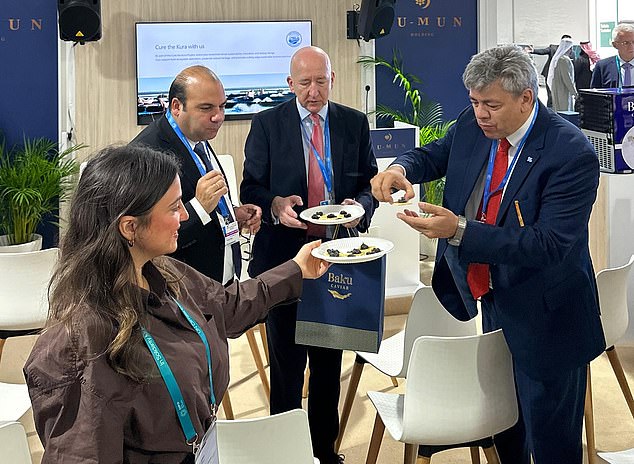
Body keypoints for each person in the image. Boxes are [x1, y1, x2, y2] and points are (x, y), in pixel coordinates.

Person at [371, 45, 605, 463]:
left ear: (526, 99)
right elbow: (433, 155)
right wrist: (401, 167)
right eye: (475, 102)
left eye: (491, 105)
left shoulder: (571, 154)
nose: (481, 114)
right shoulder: (474, 125)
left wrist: (459, 230)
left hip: (550, 318)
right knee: (506, 426)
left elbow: (547, 244)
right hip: (494, 299)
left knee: (552, 442)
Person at [24, 144, 330, 463]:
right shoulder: (77, 346)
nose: (185, 215)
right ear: (130, 227)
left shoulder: (166, 272)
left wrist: (297, 268)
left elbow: (227, 305)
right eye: (173, 208)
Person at [240, 46, 378, 464]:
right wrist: (277, 206)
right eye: (305, 83)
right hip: (285, 261)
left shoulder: (353, 123)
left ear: (333, 79)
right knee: (286, 364)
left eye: (321, 81)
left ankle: (324, 451)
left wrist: (361, 208)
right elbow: (251, 189)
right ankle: (286, 452)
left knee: (327, 363)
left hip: (338, 256)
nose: (313, 92)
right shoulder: (267, 124)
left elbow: (369, 184)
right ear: (290, 84)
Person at [131, 65, 262, 285]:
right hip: (182, 290)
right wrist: (200, 207)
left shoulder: (198, 137)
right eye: (206, 108)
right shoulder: (146, 154)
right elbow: (147, 238)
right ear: (176, 107)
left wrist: (232, 213)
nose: (218, 117)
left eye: (222, 106)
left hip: (219, 283)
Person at [530, 34, 571, 107]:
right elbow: (543, 51)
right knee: (551, 96)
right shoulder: (553, 48)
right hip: (550, 75)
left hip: (562, 77)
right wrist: (533, 50)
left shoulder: (571, 53)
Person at [590, 23, 634, 88]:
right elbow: (594, 95)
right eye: (626, 43)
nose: (631, 46)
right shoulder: (602, 66)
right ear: (614, 45)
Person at [547, 37, 578, 111]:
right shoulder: (564, 60)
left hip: (559, 89)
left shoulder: (559, 59)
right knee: (564, 110)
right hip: (563, 91)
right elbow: (567, 78)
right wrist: (575, 93)